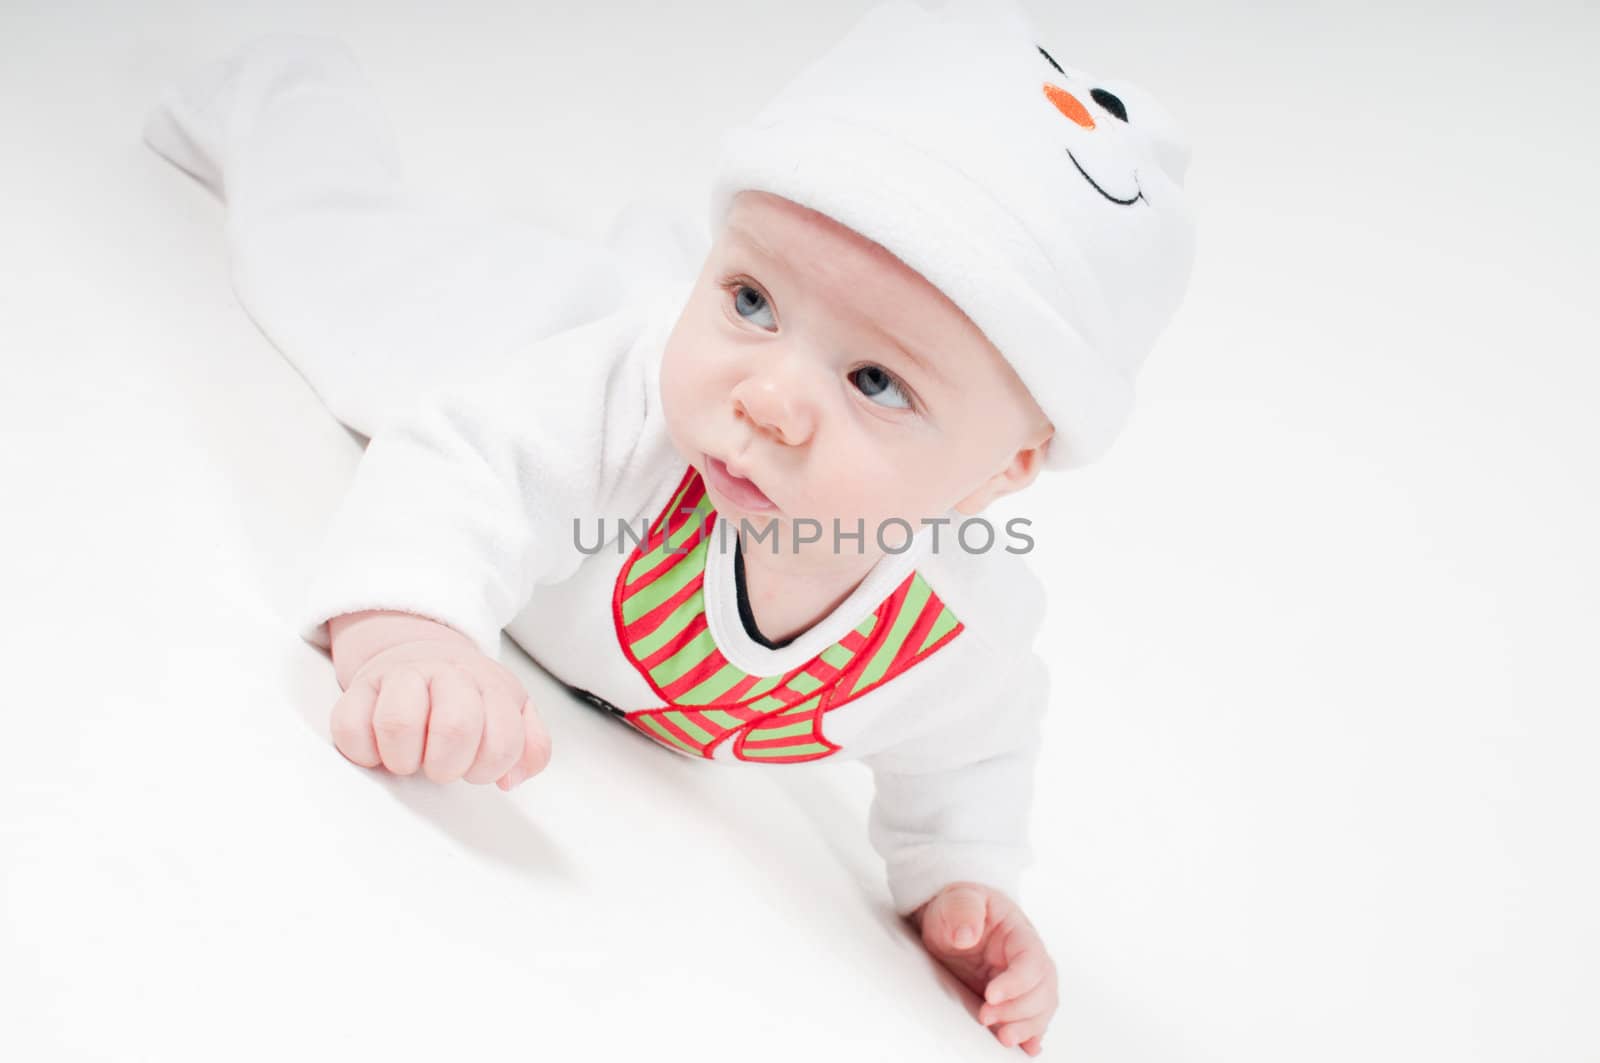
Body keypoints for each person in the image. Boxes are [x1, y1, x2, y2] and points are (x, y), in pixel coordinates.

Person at [142, 1, 1197, 1053]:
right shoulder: (611, 397)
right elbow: (467, 459)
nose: (770, 401)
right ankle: (283, 89)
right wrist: (412, 628)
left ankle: (688, 271)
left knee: (678, 303)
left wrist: (958, 879)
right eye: (749, 298)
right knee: (321, 271)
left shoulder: (951, 623)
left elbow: (975, 748)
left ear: (1008, 465)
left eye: (876, 380)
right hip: (520, 323)